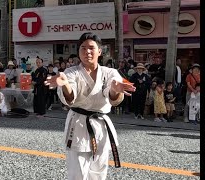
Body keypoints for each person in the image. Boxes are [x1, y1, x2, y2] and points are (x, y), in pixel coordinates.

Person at [44, 32, 136, 180]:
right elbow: (70, 96)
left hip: (100, 125)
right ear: (78, 51)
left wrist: (115, 89)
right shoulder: (70, 72)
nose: (87, 51)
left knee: (99, 172)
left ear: (100, 51)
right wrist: (66, 84)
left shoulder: (110, 73)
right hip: (78, 123)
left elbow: (112, 94)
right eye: (83, 48)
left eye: (91, 48)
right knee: (77, 172)